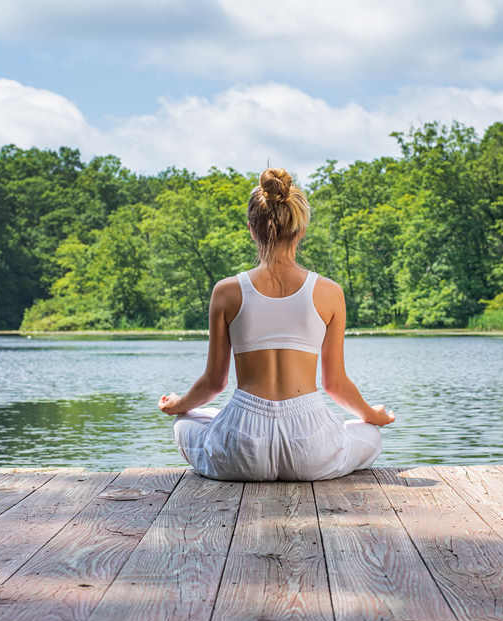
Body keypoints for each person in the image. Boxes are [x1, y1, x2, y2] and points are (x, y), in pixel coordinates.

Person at [159, 168, 394, 481]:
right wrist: (372, 415)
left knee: (187, 422)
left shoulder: (226, 292)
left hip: (242, 449)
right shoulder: (329, 292)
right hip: (310, 447)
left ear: (251, 230)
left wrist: (179, 404)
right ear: (301, 230)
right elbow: (334, 385)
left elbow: (214, 383)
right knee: (370, 434)